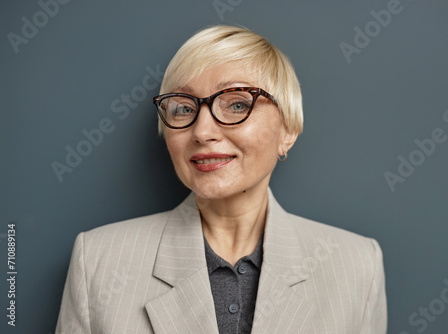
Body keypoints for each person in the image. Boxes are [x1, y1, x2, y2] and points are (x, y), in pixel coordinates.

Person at [55, 25, 387, 334]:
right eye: (184, 108)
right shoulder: (98, 260)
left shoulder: (357, 264)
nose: (202, 131)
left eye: (236, 103)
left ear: (288, 131)